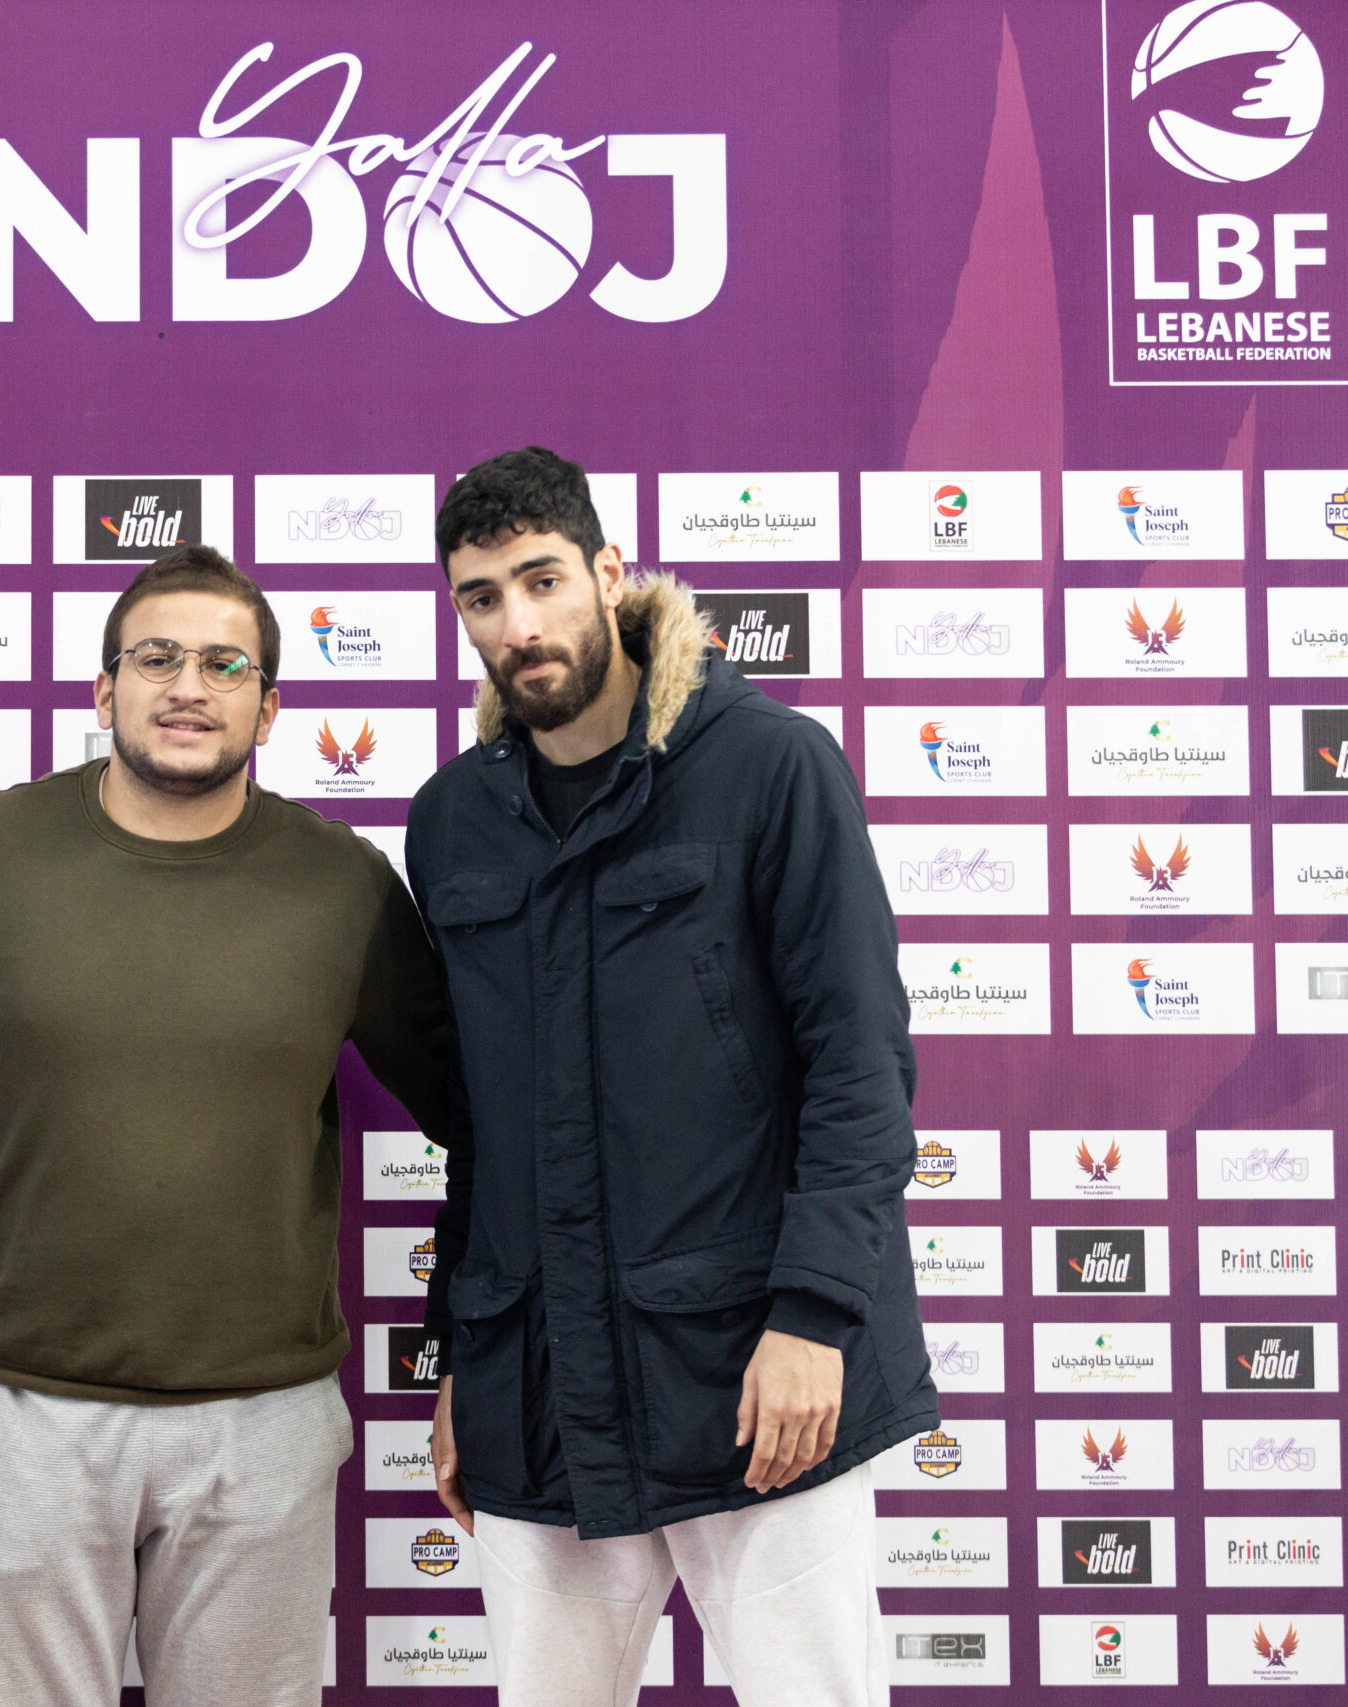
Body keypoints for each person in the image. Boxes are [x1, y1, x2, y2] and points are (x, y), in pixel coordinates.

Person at [0, 545, 458, 1707]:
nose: (189, 686)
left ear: (269, 707)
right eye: (157, 658)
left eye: (225, 665)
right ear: (104, 690)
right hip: (24, 1413)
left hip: (262, 1422)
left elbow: (483, 1106)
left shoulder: (342, 886)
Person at [409, 448, 936, 1707]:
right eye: (482, 596)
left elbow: (858, 1069)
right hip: (537, 1378)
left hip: (756, 1367)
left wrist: (812, 1320)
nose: (517, 624)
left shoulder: (768, 765)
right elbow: (482, 1125)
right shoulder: (452, 819)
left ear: (608, 572)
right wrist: (464, 1362)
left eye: (542, 579)